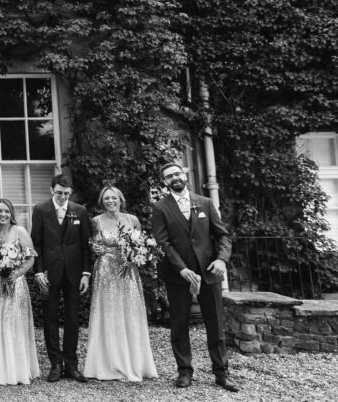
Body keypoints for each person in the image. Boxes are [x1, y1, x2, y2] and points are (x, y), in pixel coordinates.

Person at [152, 162, 237, 392]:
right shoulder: (160, 208)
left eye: (177, 173)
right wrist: (181, 268)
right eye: (169, 176)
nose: (175, 178)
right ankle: (184, 371)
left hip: (209, 271)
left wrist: (221, 260)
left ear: (185, 175)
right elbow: (163, 242)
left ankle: (221, 373)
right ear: (165, 182)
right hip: (178, 275)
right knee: (179, 324)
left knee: (215, 323)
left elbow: (222, 236)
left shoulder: (205, 203)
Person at [84, 185, 158, 382]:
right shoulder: (95, 221)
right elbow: (90, 244)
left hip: (128, 272)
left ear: (120, 199)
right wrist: (97, 249)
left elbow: (141, 244)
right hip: (106, 271)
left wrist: (138, 254)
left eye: (114, 198)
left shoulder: (132, 220)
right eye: (106, 198)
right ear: (102, 201)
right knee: (108, 313)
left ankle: (133, 363)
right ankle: (108, 364)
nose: (110, 201)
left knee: (130, 312)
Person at [31, 173, 92, 383]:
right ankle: (55, 365)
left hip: (74, 274)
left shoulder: (80, 211)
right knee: (50, 318)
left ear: (70, 193)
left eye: (66, 193)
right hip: (49, 273)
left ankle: (72, 365)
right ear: (51, 190)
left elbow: (86, 245)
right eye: (59, 193)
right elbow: (36, 243)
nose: (62, 197)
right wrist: (38, 271)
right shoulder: (40, 210)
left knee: (73, 319)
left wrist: (86, 273)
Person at [0, 199, 40, 385]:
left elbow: (31, 259)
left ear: (11, 213)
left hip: (14, 284)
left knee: (11, 323)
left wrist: (15, 274)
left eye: (6, 211)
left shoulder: (19, 231)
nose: (3, 215)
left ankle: (16, 369)